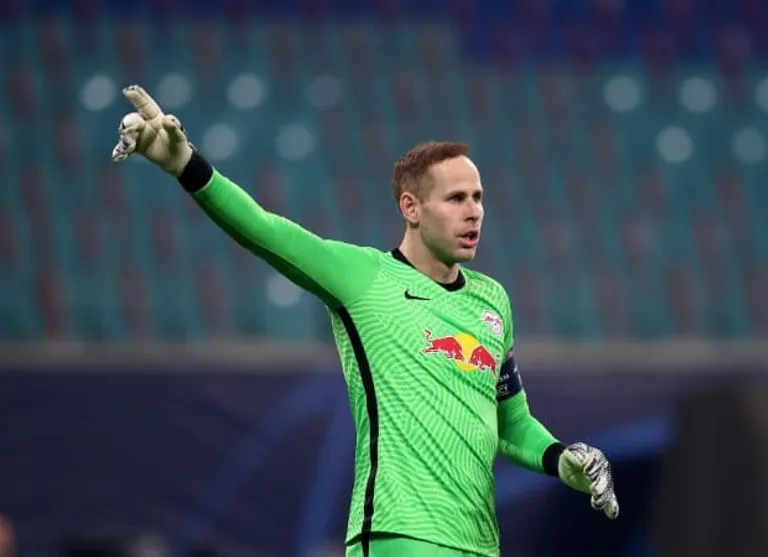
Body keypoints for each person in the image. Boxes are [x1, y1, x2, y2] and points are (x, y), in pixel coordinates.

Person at [111, 85, 619, 557]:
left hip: (480, 545)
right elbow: (264, 231)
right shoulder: (364, 278)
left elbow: (512, 423)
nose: (474, 212)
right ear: (411, 208)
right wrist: (187, 166)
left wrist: (563, 459)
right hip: (399, 536)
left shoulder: (492, 301)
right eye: (456, 198)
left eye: (478, 197)